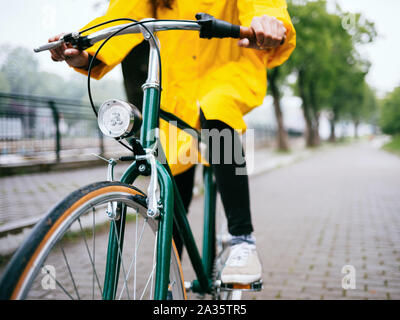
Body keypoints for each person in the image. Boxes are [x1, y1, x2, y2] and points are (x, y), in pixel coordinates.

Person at [48, 0, 296, 285]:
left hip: (230, 70)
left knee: (217, 111)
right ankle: (166, 282)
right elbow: (122, 16)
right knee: (172, 177)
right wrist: (84, 50)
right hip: (178, 88)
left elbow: (263, 5)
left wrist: (267, 22)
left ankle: (243, 240)